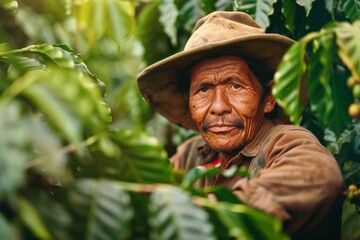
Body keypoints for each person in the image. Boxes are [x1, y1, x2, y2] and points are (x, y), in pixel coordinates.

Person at [137, 11, 344, 240]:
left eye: (235, 86)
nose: (218, 107)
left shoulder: (287, 141)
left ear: (269, 98)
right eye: (203, 90)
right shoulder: (191, 156)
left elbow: (321, 177)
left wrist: (202, 215)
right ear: (189, 101)